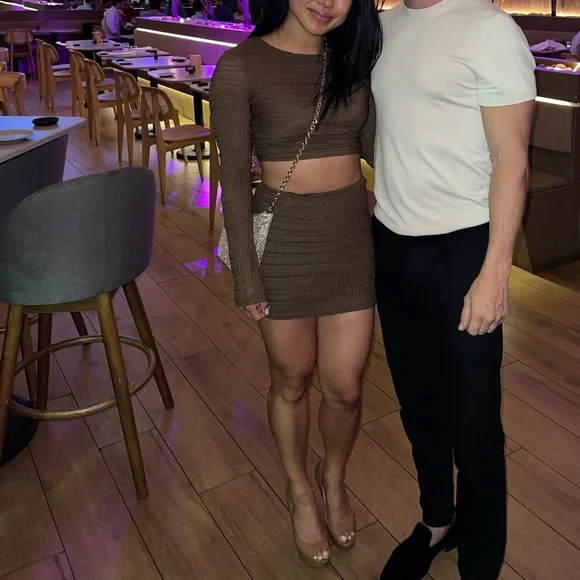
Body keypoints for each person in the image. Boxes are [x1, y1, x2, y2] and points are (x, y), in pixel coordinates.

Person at [210, 0, 381, 568]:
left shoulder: (353, 59)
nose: (327, 3)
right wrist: (246, 275)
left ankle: (333, 478)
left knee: (345, 387)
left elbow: (379, 147)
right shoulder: (241, 66)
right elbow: (234, 182)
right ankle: (300, 489)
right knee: (291, 378)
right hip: (283, 243)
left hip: (349, 239)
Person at [371, 0, 536, 579]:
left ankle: (480, 564)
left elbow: (512, 160)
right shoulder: (383, 25)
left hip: (462, 253)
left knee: (474, 426)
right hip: (391, 244)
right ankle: (438, 519)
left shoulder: (490, 28)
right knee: (418, 406)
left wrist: (495, 272)